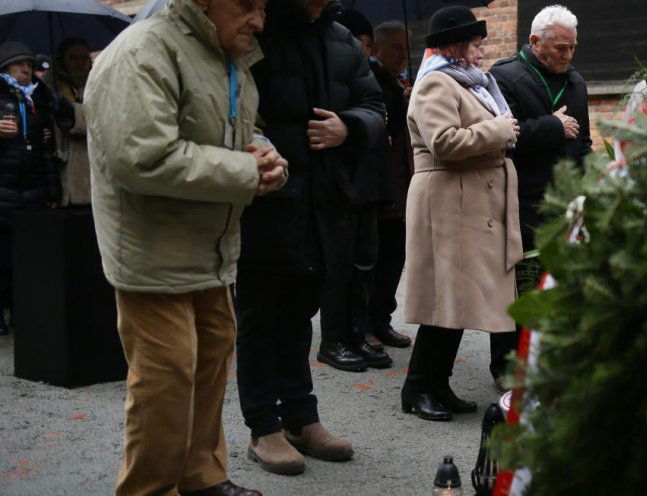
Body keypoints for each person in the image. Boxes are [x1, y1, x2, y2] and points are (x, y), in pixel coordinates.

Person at [84, 0, 287, 494]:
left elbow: (226, 131)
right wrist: (246, 171)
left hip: (210, 250)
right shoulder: (142, 50)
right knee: (165, 383)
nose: (258, 18)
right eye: (245, 5)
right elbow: (142, 158)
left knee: (209, 365)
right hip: (152, 255)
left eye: (262, 6)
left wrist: (265, 152)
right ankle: (149, 489)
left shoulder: (224, 56)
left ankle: (202, 477)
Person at [235, 0, 386, 476]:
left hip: (325, 199)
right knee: (261, 314)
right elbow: (234, 111)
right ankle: (263, 425)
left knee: (301, 311)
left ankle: (301, 417)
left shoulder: (341, 39)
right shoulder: (256, 30)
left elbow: (375, 107)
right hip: (268, 196)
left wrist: (350, 127)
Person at [401, 6, 522, 422]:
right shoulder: (436, 83)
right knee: (443, 301)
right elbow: (444, 142)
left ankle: (437, 384)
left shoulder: (469, 84)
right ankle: (417, 389)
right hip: (447, 204)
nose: (481, 52)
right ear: (455, 46)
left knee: (455, 302)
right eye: (474, 45)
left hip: (464, 203)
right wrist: (501, 130)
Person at [488, 4, 590, 389]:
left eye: (572, 48)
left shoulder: (576, 83)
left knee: (554, 287)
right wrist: (552, 126)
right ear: (534, 41)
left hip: (563, 204)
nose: (567, 56)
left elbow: (582, 142)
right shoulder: (505, 76)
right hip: (520, 200)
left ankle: (545, 362)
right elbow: (503, 137)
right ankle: (506, 366)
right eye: (560, 48)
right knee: (517, 287)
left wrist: (589, 182)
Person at [0, 41, 60, 336]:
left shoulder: (39, 97)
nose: (26, 69)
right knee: (1, 258)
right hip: (3, 189)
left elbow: (48, 150)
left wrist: (53, 191)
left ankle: (23, 312)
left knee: (28, 257)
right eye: (19, 65)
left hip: (33, 187)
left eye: (28, 64)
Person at [364, 20, 414, 349]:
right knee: (373, 258)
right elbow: (383, 125)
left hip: (400, 185)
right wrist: (401, 99)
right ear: (377, 48)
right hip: (375, 185)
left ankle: (382, 320)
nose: (403, 56)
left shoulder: (399, 83)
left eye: (407, 50)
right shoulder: (369, 79)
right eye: (397, 48)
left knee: (394, 257)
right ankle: (364, 323)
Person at [52, 38, 93, 207]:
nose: (79, 63)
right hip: (59, 166)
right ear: (63, 60)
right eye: (73, 58)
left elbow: (100, 118)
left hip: (88, 170)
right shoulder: (50, 86)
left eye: (84, 58)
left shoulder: (96, 83)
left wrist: (73, 113)